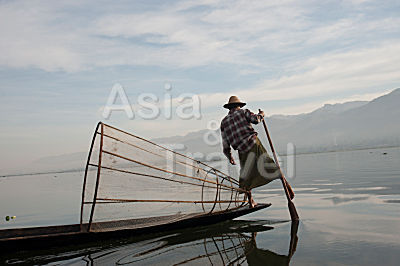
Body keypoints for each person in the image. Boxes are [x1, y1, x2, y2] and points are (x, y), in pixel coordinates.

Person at [220, 96, 281, 207]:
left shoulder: (224, 122)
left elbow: (225, 144)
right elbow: (256, 120)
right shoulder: (244, 112)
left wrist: (230, 157)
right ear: (238, 106)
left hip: (242, 150)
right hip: (253, 144)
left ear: (229, 108)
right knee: (269, 165)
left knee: (246, 176)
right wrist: (262, 114)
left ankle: (251, 201)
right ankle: (286, 186)